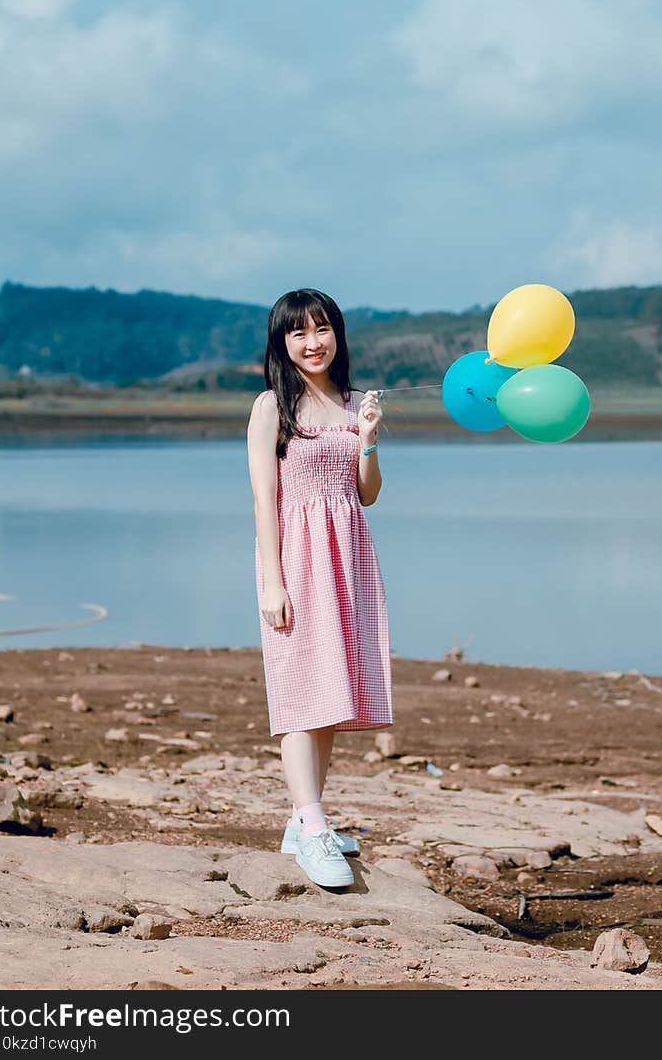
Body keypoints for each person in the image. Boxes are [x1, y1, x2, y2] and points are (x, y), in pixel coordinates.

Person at [246, 287, 393, 889]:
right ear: (283, 344)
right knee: (300, 694)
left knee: (331, 697)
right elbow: (264, 499)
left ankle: (305, 819)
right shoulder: (270, 407)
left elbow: (369, 493)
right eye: (299, 333)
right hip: (296, 560)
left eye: (322, 329)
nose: (313, 342)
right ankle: (311, 828)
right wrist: (273, 582)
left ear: (338, 334)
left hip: (349, 560)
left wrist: (370, 437)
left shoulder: (356, 402)